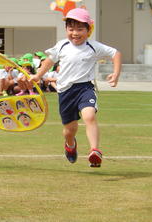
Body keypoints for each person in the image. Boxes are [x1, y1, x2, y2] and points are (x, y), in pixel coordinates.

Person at [29, 8, 122, 167]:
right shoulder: (62, 45)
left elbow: (116, 53)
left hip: (85, 88)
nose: (75, 33)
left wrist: (116, 73)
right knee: (70, 130)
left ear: (88, 30)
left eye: (80, 29)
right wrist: (37, 76)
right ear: (66, 30)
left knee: (89, 116)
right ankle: (70, 145)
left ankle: (95, 150)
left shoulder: (93, 47)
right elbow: (49, 61)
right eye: (71, 29)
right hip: (65, 92)